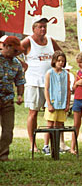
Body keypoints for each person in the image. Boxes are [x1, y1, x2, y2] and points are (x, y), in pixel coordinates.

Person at [21, 16, 62, 152]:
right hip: (34, 82)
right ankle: (33, 144)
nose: (43, 29)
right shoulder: (28, 41)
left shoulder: (50, 40)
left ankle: (51, 144)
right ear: (34, 28)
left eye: (45, 26)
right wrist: (22, 64)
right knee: (33, 112)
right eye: (40, 26)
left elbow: (60, 54)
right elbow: (14, 50)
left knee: (52, 113)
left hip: (51, 83)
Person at [0, 36, 25, 161]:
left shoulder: (17, 63)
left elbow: (20, 81)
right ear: (6, 47)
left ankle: (3, 155)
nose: (17, 53)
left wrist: (20, 95)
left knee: (8, 130)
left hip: (8, 99)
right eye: (15, 50)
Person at [42, 51, 71, 155]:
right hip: (52, 104)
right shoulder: (49, 73)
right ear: (54, 61)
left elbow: (68, 89)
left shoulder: (66, 74)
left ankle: (57, 145)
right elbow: (46, 89)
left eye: (63, 61)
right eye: (59, 60)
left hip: (62, 104)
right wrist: (49, 104)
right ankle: (46, 146)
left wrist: (67, 104)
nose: (61, 63)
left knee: (59, 125)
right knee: (49, 125)